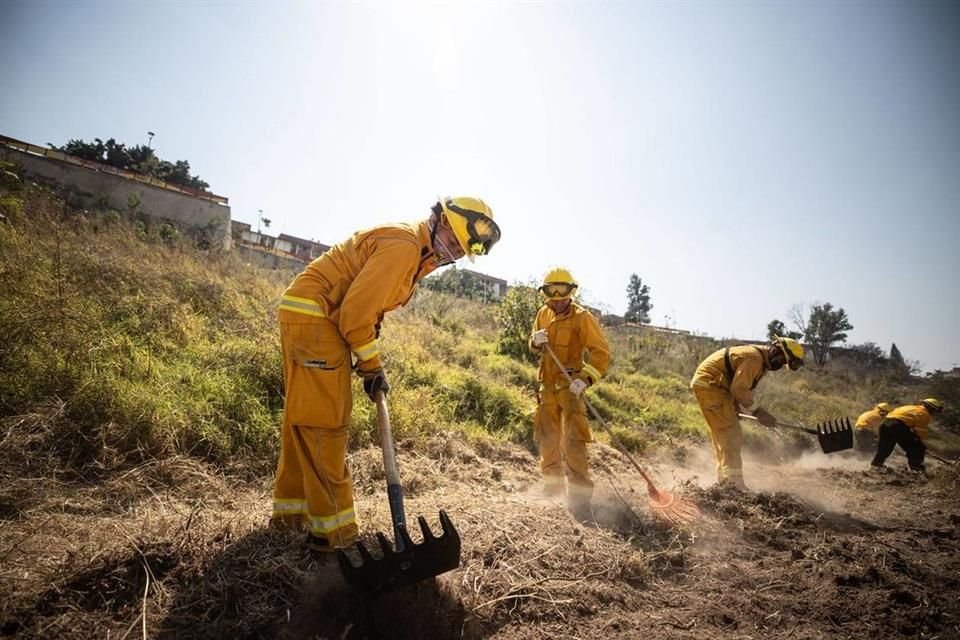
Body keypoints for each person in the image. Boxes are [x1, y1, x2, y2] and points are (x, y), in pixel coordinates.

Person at [270, 196, 501, 552]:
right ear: (437, 219)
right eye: (451, 238)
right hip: (319, 320)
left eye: (458, 248)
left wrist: (368, 356)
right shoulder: (405, 247)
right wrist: (371, 366)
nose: (450, 252)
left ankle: (290, 519)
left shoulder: (415, 253)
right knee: (324, 426)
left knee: (303, 421)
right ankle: (336, 538)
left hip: (312, 317)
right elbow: (354, 316)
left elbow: (364, 308)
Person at [528, 267, 611, 518]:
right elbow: (532, 344)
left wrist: (585, 379)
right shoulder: (543, 313)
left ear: (571, 291)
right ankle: (553, 491)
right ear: (546, 294)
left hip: (570, 388)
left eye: (562, 291)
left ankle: (580, 499)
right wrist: (535, 341)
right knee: (548, 439)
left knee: (574, 441)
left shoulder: (582, 318)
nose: (557, 297)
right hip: (548, 388)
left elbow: (601, 353)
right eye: (552, 292)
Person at [690, 337, 805, 488]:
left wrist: (734, 405)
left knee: (725, 434)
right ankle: (734, 484)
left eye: (785, 364)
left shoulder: (760, 361)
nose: (782, 365)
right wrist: (759, 412)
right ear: (775, 350)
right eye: (783, 360)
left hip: (717, 387)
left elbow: (736, 383)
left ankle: (726, 482)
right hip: (711, 386)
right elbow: (739, 389)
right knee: (731, 433)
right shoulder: (754, 359)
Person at [870, 398, 944, 475]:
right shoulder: (924, 414)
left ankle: (876, 465)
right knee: (917, 447)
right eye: (935, 411)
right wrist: (922, 446)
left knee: (885, 447)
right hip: (897, 425)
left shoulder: (910, 407)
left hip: (884, 424)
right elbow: (920, 433)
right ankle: (916, 469)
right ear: (931, 408)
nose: (935, 414)